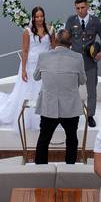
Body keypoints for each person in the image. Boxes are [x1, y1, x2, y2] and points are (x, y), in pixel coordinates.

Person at [0, 6, 54, 129]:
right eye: (37, 17)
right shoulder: (27, 32)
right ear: (33, 18)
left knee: (43, 90)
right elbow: (25, 51)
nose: (39, 19)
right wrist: (23, 69)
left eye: (41, 16)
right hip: (30, 66)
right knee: (29, 92)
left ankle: (43, 117)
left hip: (45, 65)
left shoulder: (50, 30)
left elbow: (54, 46)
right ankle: (28, 118)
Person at [33, 28, 86, 164]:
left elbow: (36, 77)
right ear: (71, 43)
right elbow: (82, 80)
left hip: (49, 106)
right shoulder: (78, 58)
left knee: (44, 139)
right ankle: (69, 169)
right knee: (72, 139)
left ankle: (40, 170)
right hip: (70, 108)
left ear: (55, 41)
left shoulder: (43, 57)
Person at [66, 0, 101, 128]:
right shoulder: (71, 20)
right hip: (75, 64)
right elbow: (66, 39)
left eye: (82, 7)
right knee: (72, 90)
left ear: (87, 6)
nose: (80, 10)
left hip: (90, 63)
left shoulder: (95, 21)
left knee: (91, 91)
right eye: (77, 8)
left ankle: (90, 115)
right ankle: (71, 114)